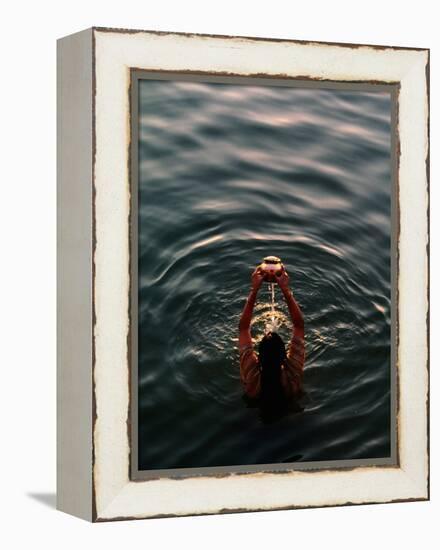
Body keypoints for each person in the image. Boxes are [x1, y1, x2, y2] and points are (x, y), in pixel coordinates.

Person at [238, 266, 305, 404]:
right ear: (284, 357)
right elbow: (299, 325)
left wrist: (254, 289)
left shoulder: (252, 378)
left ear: (258, 358)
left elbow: (243, 328)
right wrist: (286, 290)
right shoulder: (292, 375)